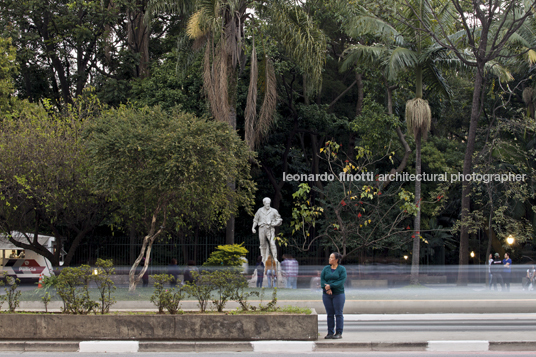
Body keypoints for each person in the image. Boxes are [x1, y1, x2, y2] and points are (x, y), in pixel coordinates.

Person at [321, 252, 347, 339]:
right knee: (330, 314)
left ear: (336, 260)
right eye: (329, 257)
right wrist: (327, 289)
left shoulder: (342, 269)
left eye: (331, 258)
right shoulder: (326, 269)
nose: (329, 259)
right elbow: (322, 280)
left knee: (338, 313)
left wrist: (331, 286)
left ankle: (339, 332)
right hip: (327, 294)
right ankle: (330, 332)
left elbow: (341, 281)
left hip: (338, 294)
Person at [252, 198, 282, 264]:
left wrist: (274, 224)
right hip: (261, 228)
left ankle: (275, 258)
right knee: (262, 244)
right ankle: (263, 259)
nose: (268, 205)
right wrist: (253, 228)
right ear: (264, 203)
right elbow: (255, 220)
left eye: (269, 203)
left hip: (270, 229)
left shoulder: (274, 211)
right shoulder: (260, 210)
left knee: (272, 243)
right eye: (266, 203)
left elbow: (279, 220)